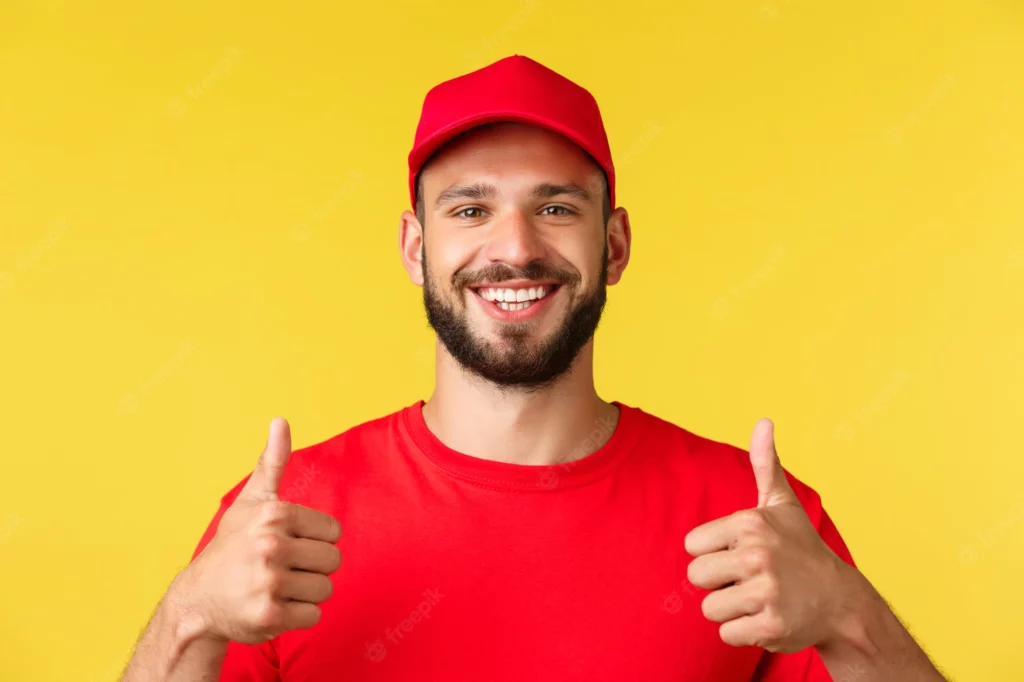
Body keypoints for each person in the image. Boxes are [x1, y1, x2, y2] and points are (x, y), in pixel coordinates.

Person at [121, 54, 948, 682]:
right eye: (470, 209)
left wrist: (847, 615)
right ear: (416, 248)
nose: (514, 247)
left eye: (555, 207)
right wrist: (192, 615)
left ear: (614, 245)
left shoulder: (757, 521)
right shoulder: (284, 519)